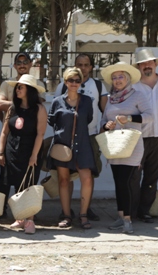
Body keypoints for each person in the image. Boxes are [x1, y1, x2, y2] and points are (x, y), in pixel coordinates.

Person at [100, 62, 153, 235]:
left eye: (120, 76)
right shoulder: (110, 98)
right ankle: (121, 216)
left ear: (128, 78)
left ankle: (128, 220)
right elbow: (103, 120)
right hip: (115, 146)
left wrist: (128, 118)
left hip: (132, 146)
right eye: (114, 78)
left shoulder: (137, 95)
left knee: (126, 183)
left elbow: (149, 116)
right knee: (119, 183)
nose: (117, 80)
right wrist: (107, 125)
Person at [53, 54, 107, 222]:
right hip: (65, 141)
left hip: (89, 137)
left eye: (86, 65)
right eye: (79, 64)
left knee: (89, 175)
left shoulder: (98, 85)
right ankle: (66, 211)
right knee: (65, 177)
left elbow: (103, 111)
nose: (83, 68)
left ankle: (86, 208)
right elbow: (53, 117)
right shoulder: (62, 87)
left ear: (91, 67)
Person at [47, 67, 95, 230]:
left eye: (77, 80)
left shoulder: (87, 101)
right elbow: (52, 121)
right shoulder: (57, 101)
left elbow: (87, 119)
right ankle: (66, 214)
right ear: (65, 82)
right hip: (63, 146)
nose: (74, 83)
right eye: (70, 80)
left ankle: (83, 215)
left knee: (87, 179)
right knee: (63, 180)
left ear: (80, 82)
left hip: (82, 144)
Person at [0, 74, 47, 234]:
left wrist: (34, 155)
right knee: (17, 183)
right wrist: (1, 152)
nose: (17, 90)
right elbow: (5, 132)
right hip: (12, 150)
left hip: (30, 150)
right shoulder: (13, 108)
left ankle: (30, 220)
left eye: (21, 87)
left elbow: (40, 134)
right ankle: (20, 217)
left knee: (29, 184)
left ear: (29, 90)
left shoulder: (39, 109)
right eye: (17, 87)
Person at [132, 49, 158, 222]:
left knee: (151, 177)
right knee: (133, 176)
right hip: (138, 137)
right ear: (139, 66)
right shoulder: (132, 87)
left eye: (150, 62)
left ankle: (144, 210)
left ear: (156, 64)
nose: (147, 65)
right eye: (143, 63)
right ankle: (131, 211)